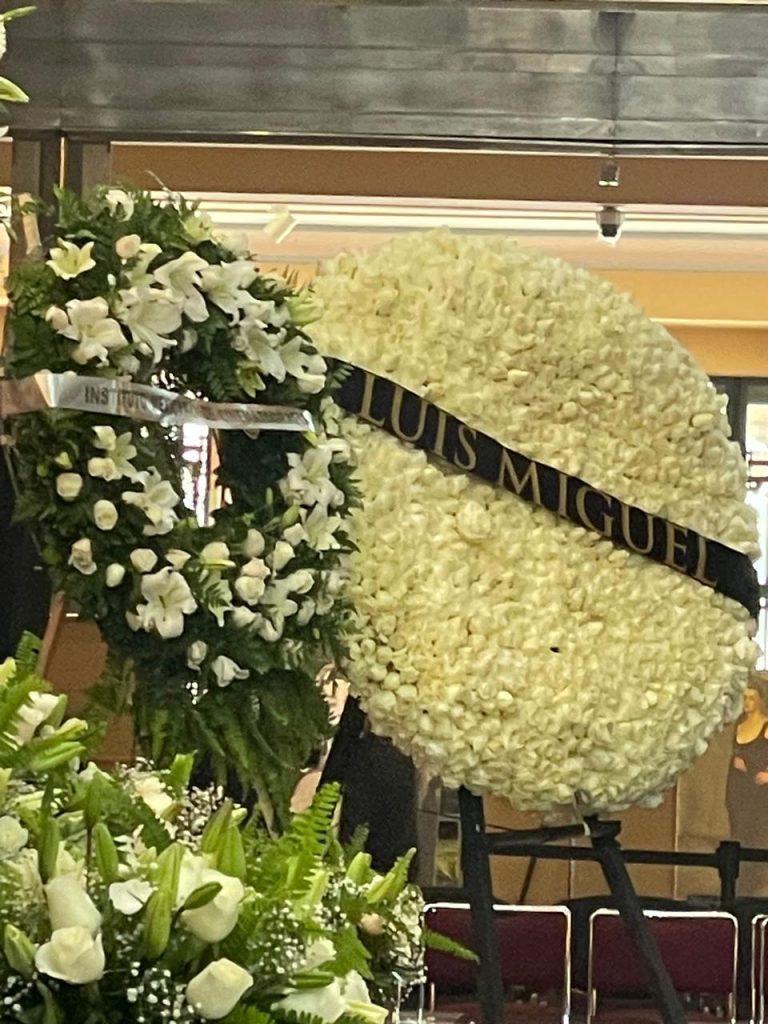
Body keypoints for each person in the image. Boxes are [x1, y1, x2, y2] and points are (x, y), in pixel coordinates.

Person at [726, 672, 768, 854]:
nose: (747, 703)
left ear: (759, 700)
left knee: (757, 835)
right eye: (744, 698)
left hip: (759, 791)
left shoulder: (766, 725)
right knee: (739, 831)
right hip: (738, 788)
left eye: (751, 698)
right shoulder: (739, 725)